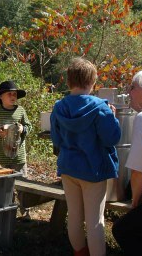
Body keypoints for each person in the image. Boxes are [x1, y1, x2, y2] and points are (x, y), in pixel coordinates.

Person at [50, 57, 121, 256]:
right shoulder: (101, 108)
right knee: (95, 221)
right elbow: (112, 138)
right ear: (92, 81)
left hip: (68, 168)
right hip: (93, 170)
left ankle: (79, 252)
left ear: (68, 81)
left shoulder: (59, 107)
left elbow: (56, 139)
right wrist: (113, 118)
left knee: (74, 215)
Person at [112, 70, 142, 255]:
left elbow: (139, 170)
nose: (129, 92)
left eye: (133, 87)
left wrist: (135, 202)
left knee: (123, 230)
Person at [0, 80, 32, 217]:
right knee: (4, 185)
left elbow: (29, 126)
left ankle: (26, 212)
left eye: (15, 94)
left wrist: (23, 128)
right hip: (1, 155)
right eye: (9, 94)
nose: (13, 97)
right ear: (1, 96)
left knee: (23, 184)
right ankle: (7, 210)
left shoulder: (20, 111)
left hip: (19, 156)